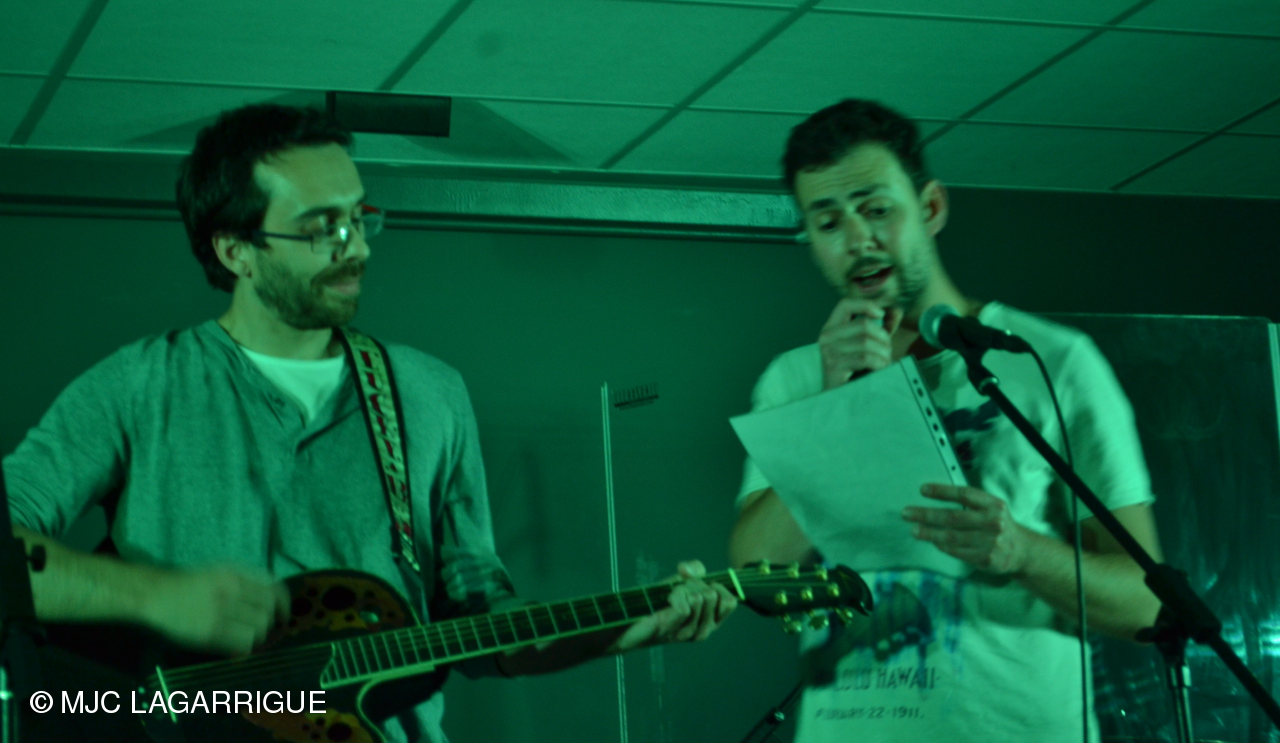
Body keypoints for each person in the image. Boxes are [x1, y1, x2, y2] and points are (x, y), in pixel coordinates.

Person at [3, 104, 736, 743]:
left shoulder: (428, 392)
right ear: (236, 250)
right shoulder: (139, 385)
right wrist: (156, 596)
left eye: (360, 217)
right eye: (322, 227)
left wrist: (625, 630)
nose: (356, 246)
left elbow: (487, 624)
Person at [728, 99, 1162, 742]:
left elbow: (1146, 602)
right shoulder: (795, 381)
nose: (858, 240)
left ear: (930, 207)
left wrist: (1021, 552)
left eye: (877, 209)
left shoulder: (1051, 361)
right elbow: (756, 575)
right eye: (828, 221)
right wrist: (837, 406)